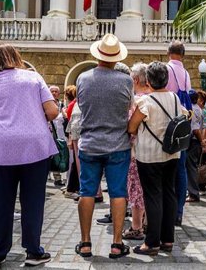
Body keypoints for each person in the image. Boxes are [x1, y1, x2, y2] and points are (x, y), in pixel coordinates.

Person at [0, 44, 59, 270]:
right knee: (33, 201)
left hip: (1, 147)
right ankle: (33, 251)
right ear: (16, 57)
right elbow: (53, 112)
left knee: (1, 202)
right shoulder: (33, 78)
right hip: (35, 145)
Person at [75, 33, 133, 260]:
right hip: (118, 144)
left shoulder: (83, 78)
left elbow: (81, 104)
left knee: (87, 191)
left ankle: (86, 242)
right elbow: (128, 107)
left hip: (89, 143)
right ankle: (117, 244)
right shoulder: (125, 80)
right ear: (116, 57)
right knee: (118, 193)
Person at [128, 61, 183, 256]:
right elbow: (185, 117)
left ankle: (152, 242)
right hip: (172, 153)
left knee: (153, 197)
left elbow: (132, 127)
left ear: (149, 80)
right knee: (169, 194)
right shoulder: (175, 98)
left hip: (149, 155)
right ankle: (167, 239)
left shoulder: (145, 101)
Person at [122, 62, 150, 241]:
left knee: (136, 188)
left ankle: (136, 226)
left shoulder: (136, 101)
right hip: (155, 151)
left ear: (136, 79)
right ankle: (148, 222)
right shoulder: (154, 97)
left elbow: (130, 128)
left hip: (136, 150)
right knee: (149, 188)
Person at [165, 41, 191, 225]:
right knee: (181, 169)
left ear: (168, 52)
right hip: (182, 125)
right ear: (183, 54)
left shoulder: (166, 69)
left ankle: (167, 209)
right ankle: (179, 211)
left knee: (166, 168)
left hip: (167, 121)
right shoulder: (186, 73)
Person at [186, 89, 206, 203]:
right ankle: (192, 192)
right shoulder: (199, 109)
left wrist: (201, 141)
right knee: (191, 168)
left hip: (193, 142)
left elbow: (195, 129)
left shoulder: (193, 110)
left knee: (191, 169)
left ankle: (193, 194)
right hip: (195, 142)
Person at [49, 85, 66, 187]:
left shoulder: (61, 105)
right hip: (48, 133)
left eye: (56, 91)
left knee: (57, 155)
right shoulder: (46, 104)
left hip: (59, 133)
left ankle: (57, 177)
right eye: (52, 91)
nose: (54, 93)